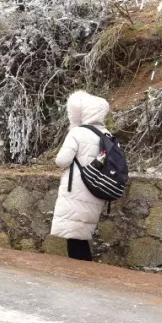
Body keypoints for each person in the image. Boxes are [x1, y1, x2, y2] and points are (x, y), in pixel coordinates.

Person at [51, 91, 113, 262]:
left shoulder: (78, 133)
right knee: (82, 232)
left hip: (77, 189)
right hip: (96, 188)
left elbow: (62, 161)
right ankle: (83, 270)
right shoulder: (107, 134)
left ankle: (81, 274)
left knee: (74, 235)